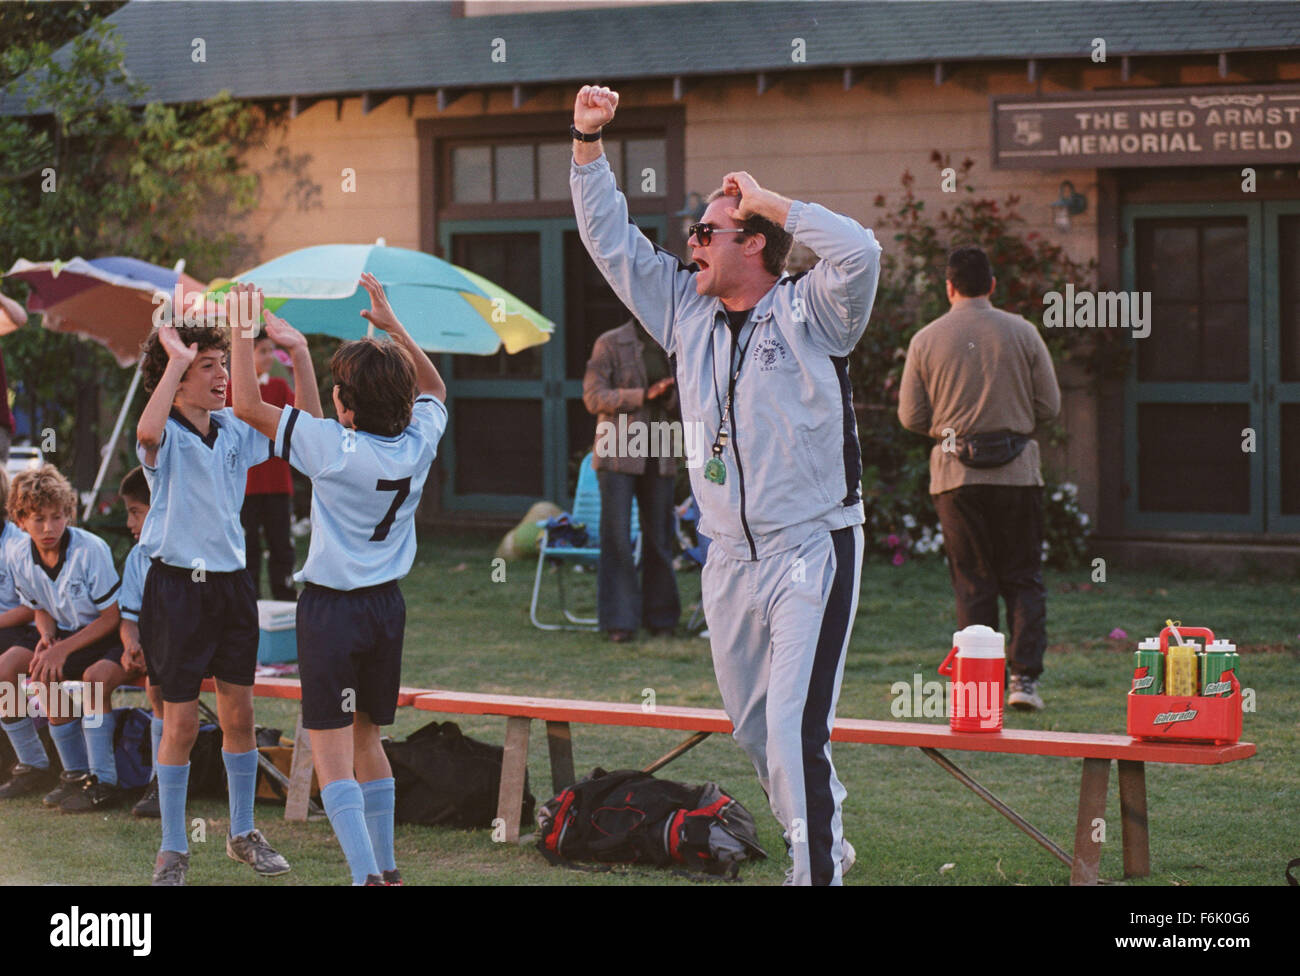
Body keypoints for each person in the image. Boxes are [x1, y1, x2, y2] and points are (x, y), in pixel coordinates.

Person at [570, 85, 881, 885]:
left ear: (754, 243)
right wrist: (587, 146)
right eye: (692, 233)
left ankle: (816, 870)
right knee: (753, 728)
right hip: (727, 556)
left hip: (811, 545)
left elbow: (862, 253)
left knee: (791, 730)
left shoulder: (815, 312)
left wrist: (776, 200)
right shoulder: (684, 311)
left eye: (706, 232)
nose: (690, 245)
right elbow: (612, 244)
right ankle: (824, 835)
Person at [232, 275, 447, 886]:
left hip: (332, 613)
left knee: (331, 758)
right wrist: (388, 327)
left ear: (346, 407)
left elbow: (248, 408)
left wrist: (240, 329)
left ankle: (364, 880)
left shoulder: (334, 448)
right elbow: (434, 388)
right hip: (386, 609)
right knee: (366, 740)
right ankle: (388, 871)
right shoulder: (417, 439)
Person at [135, 301, 320, 885]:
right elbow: (145, 430)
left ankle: (242, 833)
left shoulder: (237, 428)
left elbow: (309, 428)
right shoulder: (163, 435)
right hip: (175, 591)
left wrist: (301, 357)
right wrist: (175, 360)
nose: (221, 376)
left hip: (231, 587)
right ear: (179, 375)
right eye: (207, 366)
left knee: (241, 715)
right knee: (182, 725)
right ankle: (172, 850)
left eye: (221, 362)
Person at [897, 245, 1061, 711]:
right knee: (1024, 577)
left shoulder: (926, 339)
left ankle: (979, 685)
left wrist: (950, 432)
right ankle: (1024, 681)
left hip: (955, 478)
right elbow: (1049, 407)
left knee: (973, 582)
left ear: (948, 287)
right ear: (992, 285)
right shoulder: (1023, 332)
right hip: (1017, 477)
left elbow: (910, 415)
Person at [0, 465, 127, 812]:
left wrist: (63, 648)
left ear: (69, 514)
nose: (48, 528)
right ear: (20, 520)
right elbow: (38, 605)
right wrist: (47, 638)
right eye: (38, 519)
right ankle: (66, 772)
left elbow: (111, 617)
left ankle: (104, 780)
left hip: (110, 636)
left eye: (57, 517)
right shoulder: (19, 555)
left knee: (94, 681)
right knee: (39, 675)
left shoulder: (91, 550)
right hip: (69, 634)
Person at [583, 317, 681, 642]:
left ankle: (662, 619)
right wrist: (643, 395)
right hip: (618, 451)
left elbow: (694, 396)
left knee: (660, 538)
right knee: (617, 538)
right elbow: (594, 398)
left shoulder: (673, 340)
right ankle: (620, 623)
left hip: (662, 448)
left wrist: (668, 395)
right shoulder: (609, 342)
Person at [227, 333, 299, 600]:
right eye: (263, 351)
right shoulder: (231, 390)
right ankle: (249, 597)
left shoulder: (279, 387)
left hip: (277, 481)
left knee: (281, 543)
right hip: (244, 485)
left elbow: (296, 419)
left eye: (271, 351)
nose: (269, 357)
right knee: (247, 546)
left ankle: (285, 596)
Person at [117, 465, 165, 817]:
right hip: (159, 656)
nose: (130, 524)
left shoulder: (185, 551)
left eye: (136, 512)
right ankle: (155, 780)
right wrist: (132, 644)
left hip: (192, 650)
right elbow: (128, 617)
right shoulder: (137, 558)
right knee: (156, 683)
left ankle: (163, 781)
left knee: (158, 684)